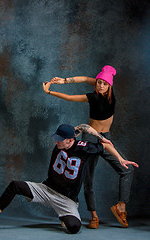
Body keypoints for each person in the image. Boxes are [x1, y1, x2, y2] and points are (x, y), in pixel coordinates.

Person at [0, 124, 138, 233]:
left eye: (59, 140)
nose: (56, 142)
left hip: (66, 199)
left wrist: (121, 159)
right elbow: (84, 127)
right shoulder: (67, 139)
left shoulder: (85, 148)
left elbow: (106, 145)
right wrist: (86, 132)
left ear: (70, 140)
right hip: (46, 189)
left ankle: (64, 216)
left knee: (73, 228)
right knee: (15, 185)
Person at [43, 65, 135, 229]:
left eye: (104, 83)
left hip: (106, 138)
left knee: (127, 169)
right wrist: (55, 88)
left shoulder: (110, 93)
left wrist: (65, 81)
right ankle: (94, 216)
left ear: (109, 86)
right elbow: (73, 95)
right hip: (91, 138)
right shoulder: (92, 97)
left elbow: (87, 79)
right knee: (88, 179)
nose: (100, 85)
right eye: (98, 82)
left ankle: (121, 206)